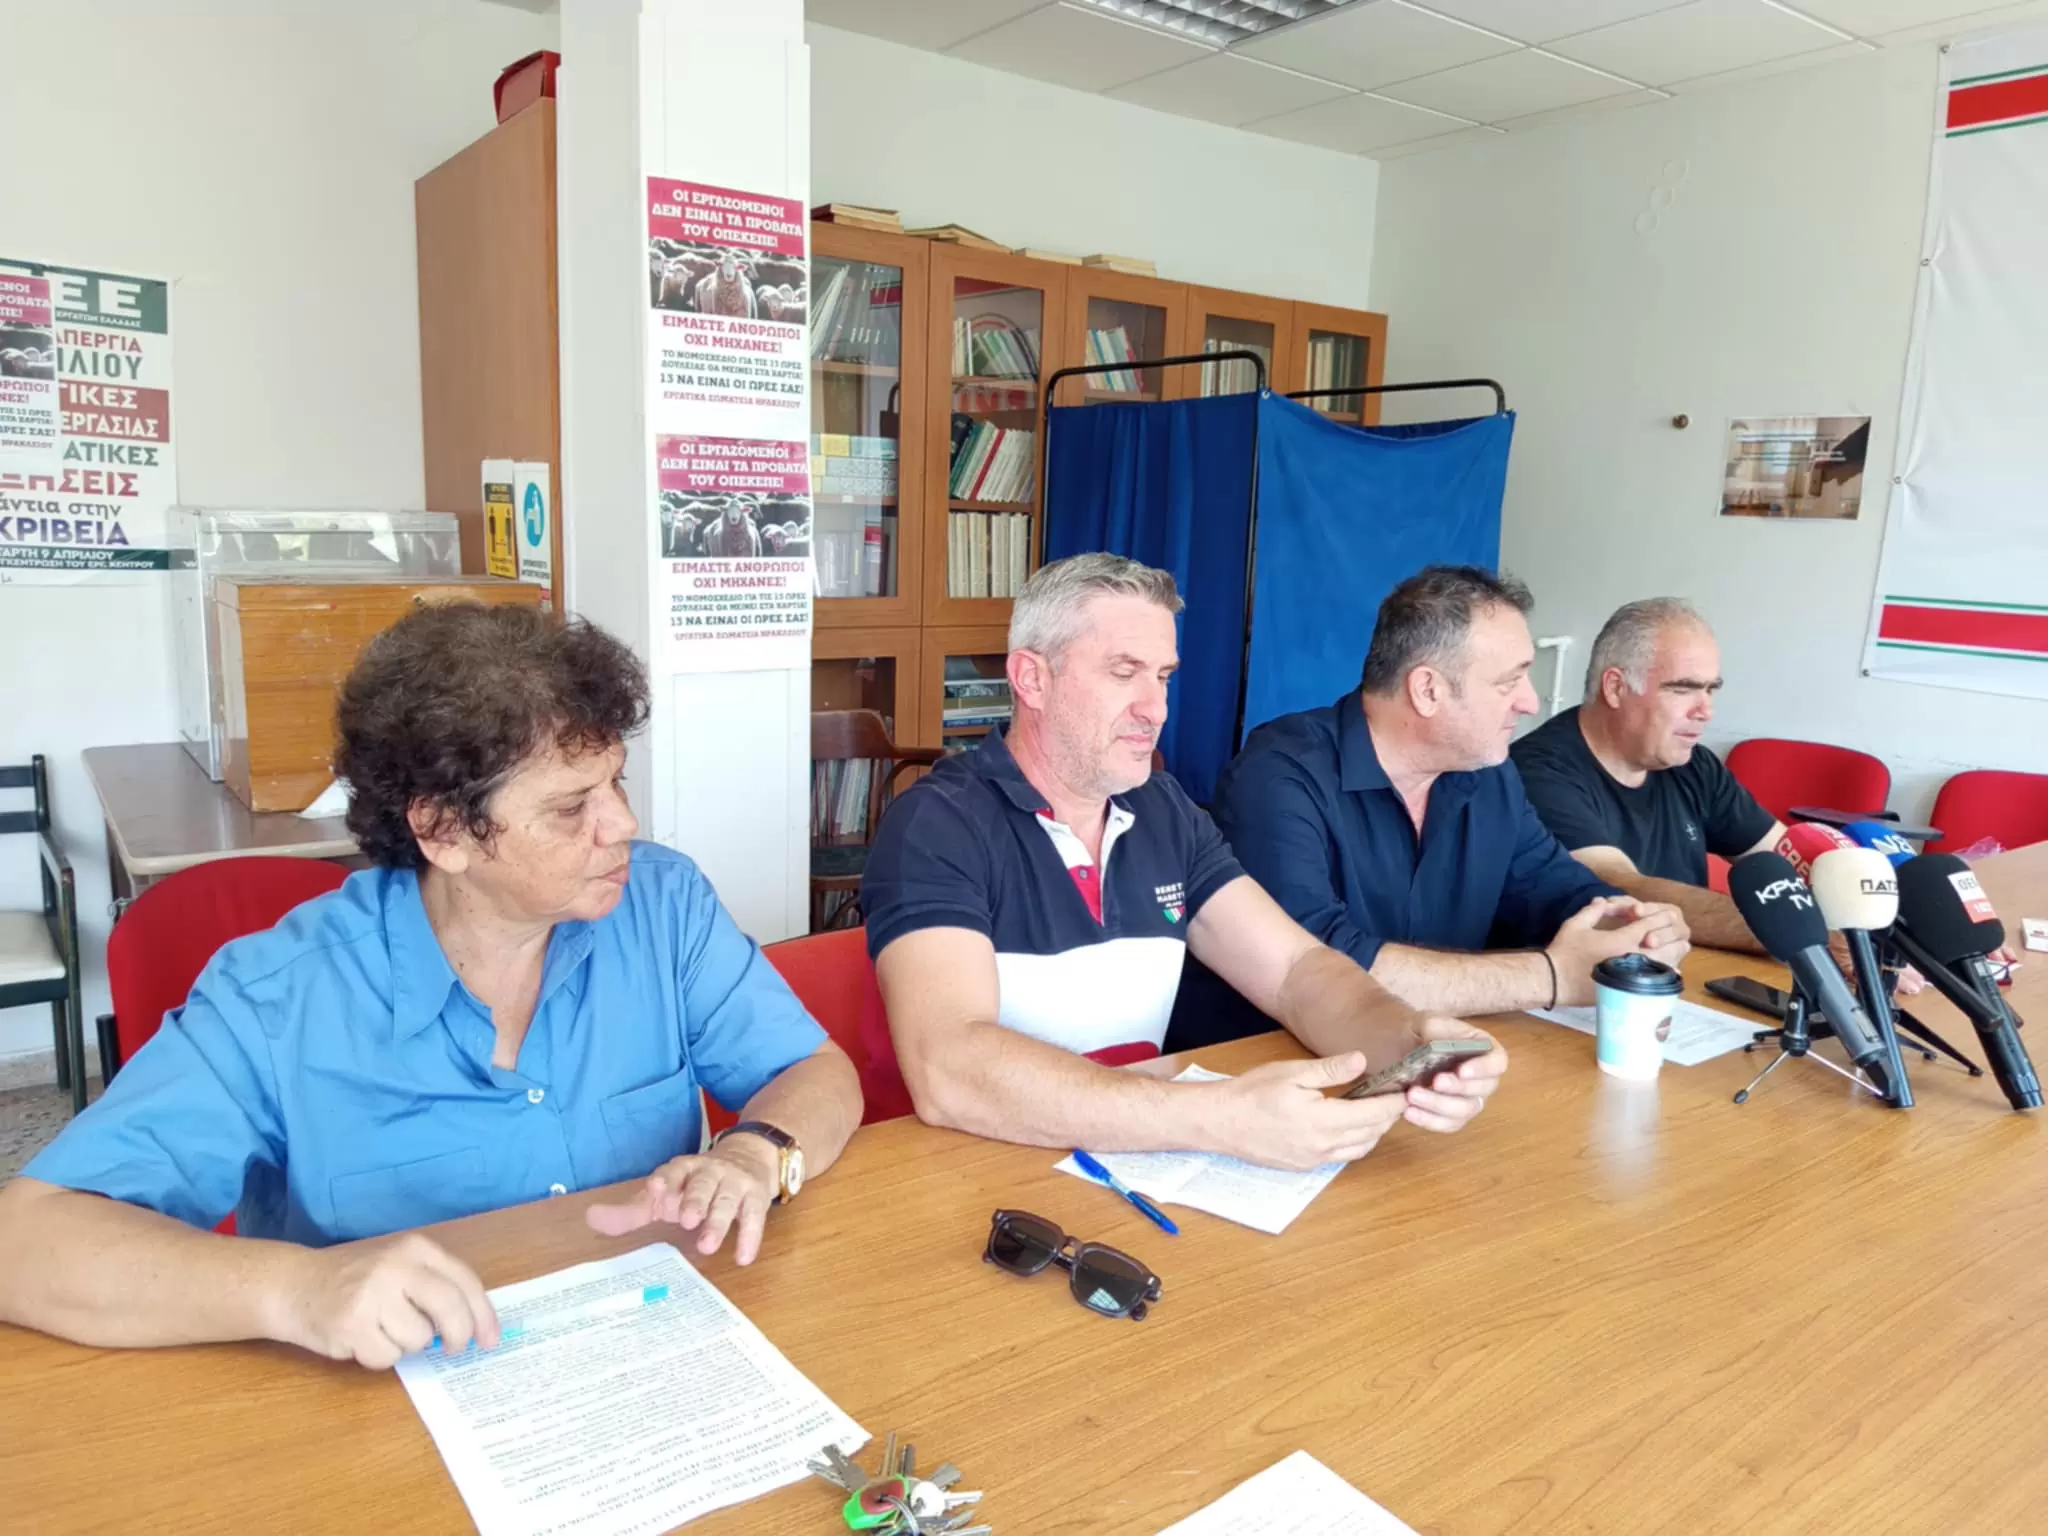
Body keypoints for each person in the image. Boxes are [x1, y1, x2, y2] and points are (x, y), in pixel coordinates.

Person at [0, 604, 860, 1368]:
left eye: (616, 782)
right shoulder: (281, 998)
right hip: (388, 1410)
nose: (623, 824)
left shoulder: (661, 907)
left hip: (646, 1356)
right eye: (571, 808)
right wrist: (300, 1291)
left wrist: (757, 1151)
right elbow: (25, 1241)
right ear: (444, 831)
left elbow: (816, 1072)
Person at [859, 553, 1509, 1174]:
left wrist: (1406, 1040)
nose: (1156, 708)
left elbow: (1295, 971)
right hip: (972, 1181)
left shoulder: (1163, 808)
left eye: (1163, 676)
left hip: (1135, 1166)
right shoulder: (938, 822)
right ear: (1032, 678)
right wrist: (1216, 1118)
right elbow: (949, 1065)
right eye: (1124, 672)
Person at [1206, 567, 1690, 1025]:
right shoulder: (1278, 776)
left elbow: (1556, 888)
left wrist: (1632, 924)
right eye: (1508, 681)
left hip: (1445, 1054)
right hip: (1281, 1060)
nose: (1530, 702)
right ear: (1428, 690)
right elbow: (1315, 966)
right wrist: (1551, 976)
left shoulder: (1490, 775)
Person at [1511, 598, 1786, 953]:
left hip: (1683, 972)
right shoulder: (1537, 770)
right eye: (1683, 689)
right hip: (1589, 981)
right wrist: (1792, 929)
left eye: (1710, 689)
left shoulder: (1694, 765)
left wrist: (1845, 890)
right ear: (1616, 688)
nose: (1706, 710)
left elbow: (1787, 856)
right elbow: (1618, 890)